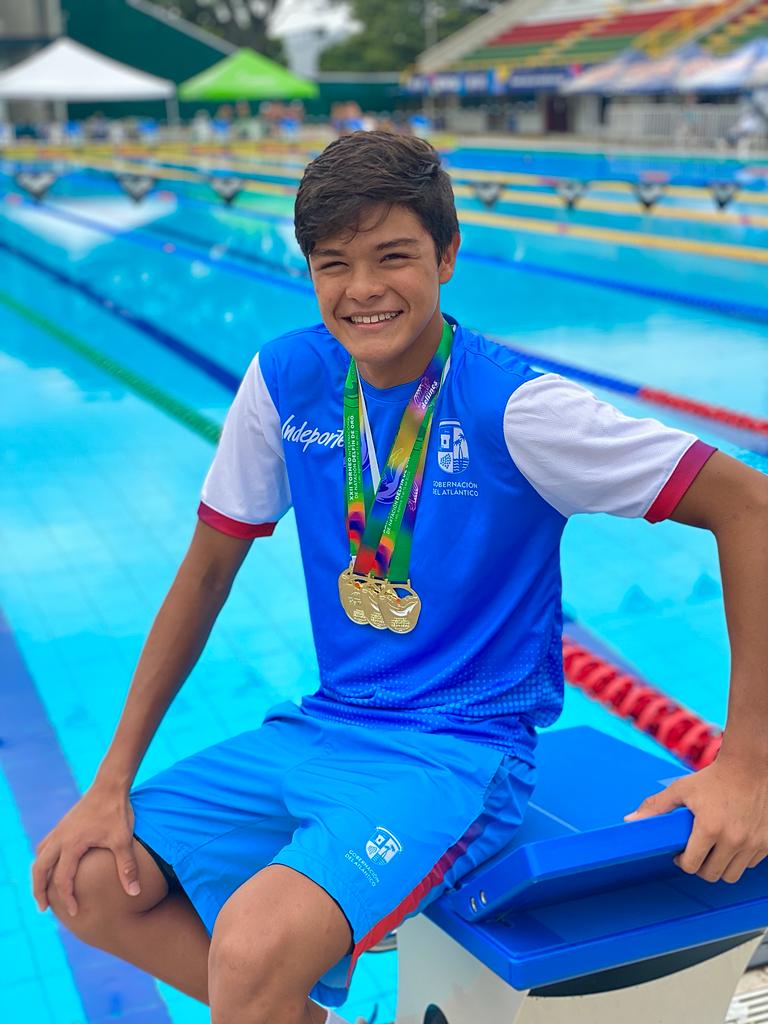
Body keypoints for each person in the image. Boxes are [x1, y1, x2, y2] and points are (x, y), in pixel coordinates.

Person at [32, 132, 768, 1024]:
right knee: (88, 881)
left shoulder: (515, 409)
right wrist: (109, 782)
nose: (363, 290)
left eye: (393, 257)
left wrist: (749, 764)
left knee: (256, 942)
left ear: (448, 256)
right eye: (333, 263)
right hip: (329, 727)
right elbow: (205, 571)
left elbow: (750, 504)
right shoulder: (286, 380)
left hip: (461, 752)